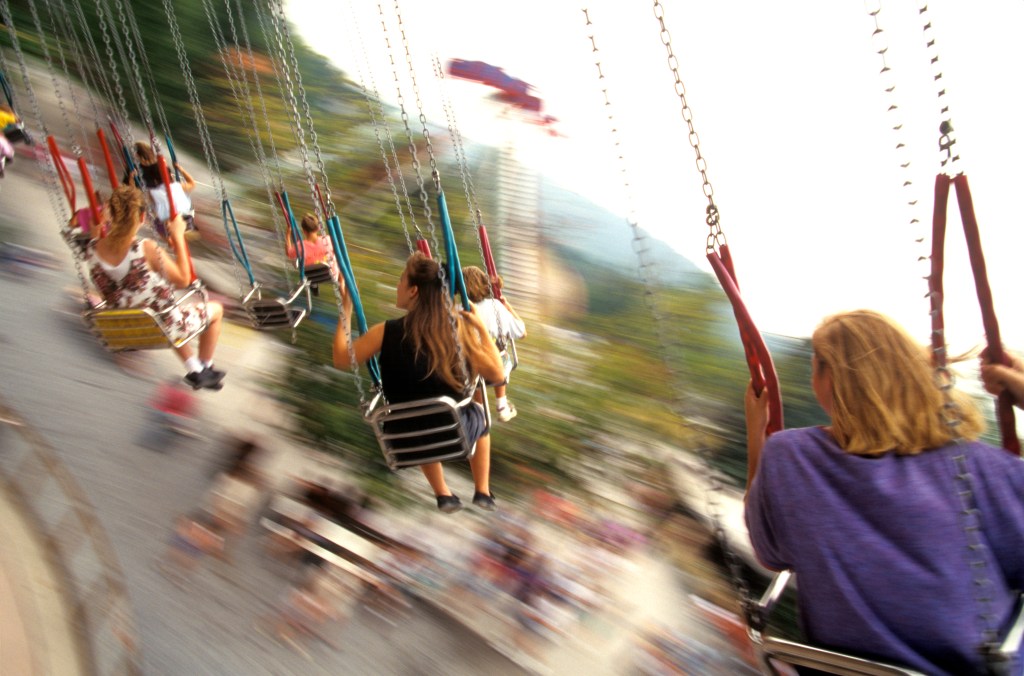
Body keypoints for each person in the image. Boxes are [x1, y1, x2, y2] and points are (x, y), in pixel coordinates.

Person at [743, 310, 1024, 675]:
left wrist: (756, 438)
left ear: (832, 380)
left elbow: (769, 552)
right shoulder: (978, 468)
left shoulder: (790, 457)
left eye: (816, 367)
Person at [333, 252, 505, 513]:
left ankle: (443, 494)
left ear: (413, 290)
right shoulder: (458, 328)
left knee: (418, 410)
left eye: (401, 280)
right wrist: (480, 329)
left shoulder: (384, 332)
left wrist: (345, 310)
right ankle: (482, 489)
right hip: (452, 433)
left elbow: (341, 359)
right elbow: (497, 374)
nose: (398, 286)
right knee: (478, 404)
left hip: (404, 439)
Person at [85, 184, 225, 390]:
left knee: (162, 308)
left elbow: (95, 227)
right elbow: (183, 280)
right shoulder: (145, 248)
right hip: (161, 325)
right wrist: (178, 236)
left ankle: (195, 368)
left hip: (123, 327)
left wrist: (104, 213)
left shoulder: (93, 248)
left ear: (110, 213)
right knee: (215, 310)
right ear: (142, 218)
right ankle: (205, 365)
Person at [462, 265, 527, 422]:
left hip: (469, 370)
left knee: (474, 363)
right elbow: (522, 332)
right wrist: (507, 306)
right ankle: (502, 404)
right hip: (497, 368)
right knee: (499, 353)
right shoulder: (496, 306)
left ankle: (480, 410)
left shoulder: (459, 310)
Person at [127, 140, 197, 237]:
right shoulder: (177, 186)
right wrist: (180, 169)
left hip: (170, 225)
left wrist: (131, 179)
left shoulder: (153, 193)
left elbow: (135, 194)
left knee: (153, 213)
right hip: (187, 219)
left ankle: (170, 239)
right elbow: (192, 183)